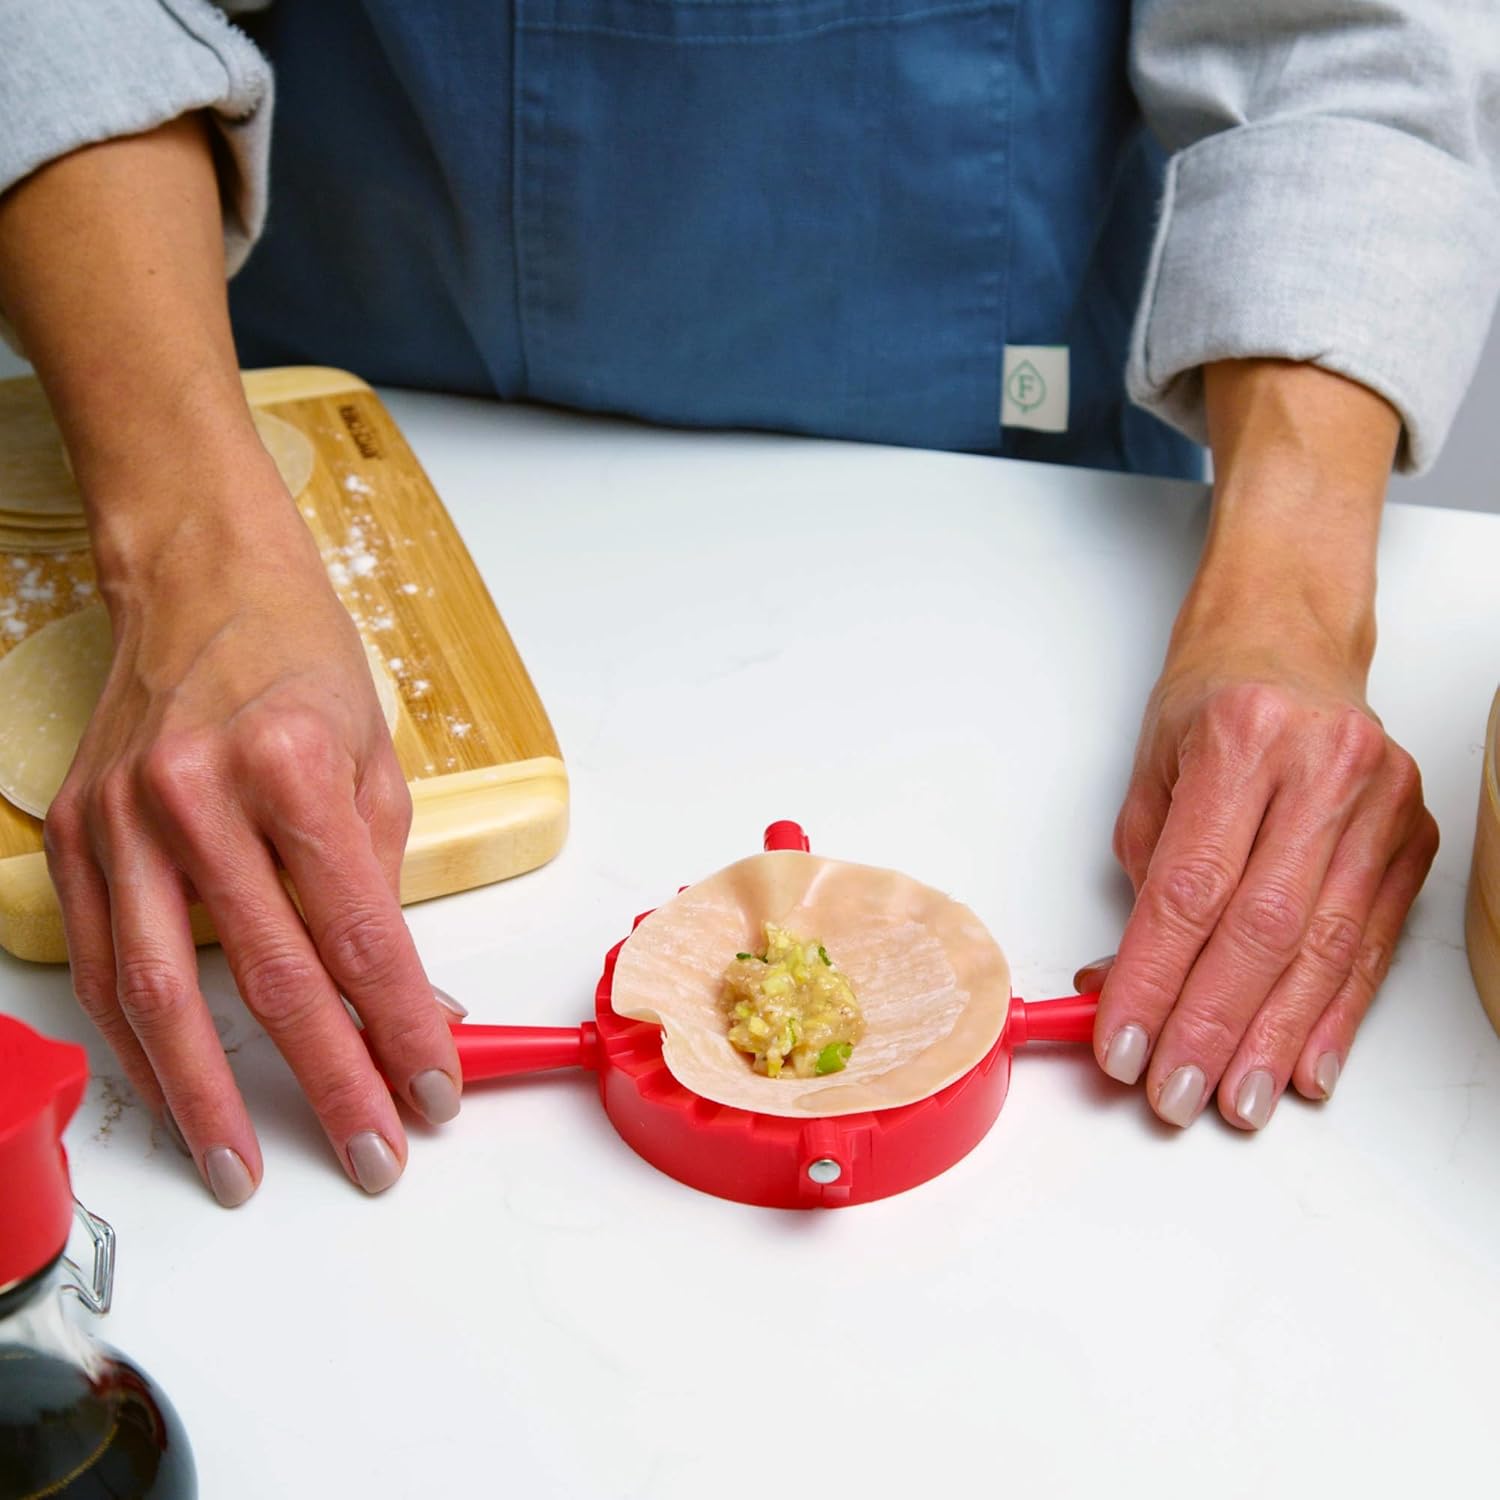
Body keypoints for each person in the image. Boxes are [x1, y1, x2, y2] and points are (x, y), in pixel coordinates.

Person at [0, 1, 1494, 1206]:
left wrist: (1291, 606)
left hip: (980, 446)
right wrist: (190, 541)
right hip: (327, 376)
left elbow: (1339, 42)